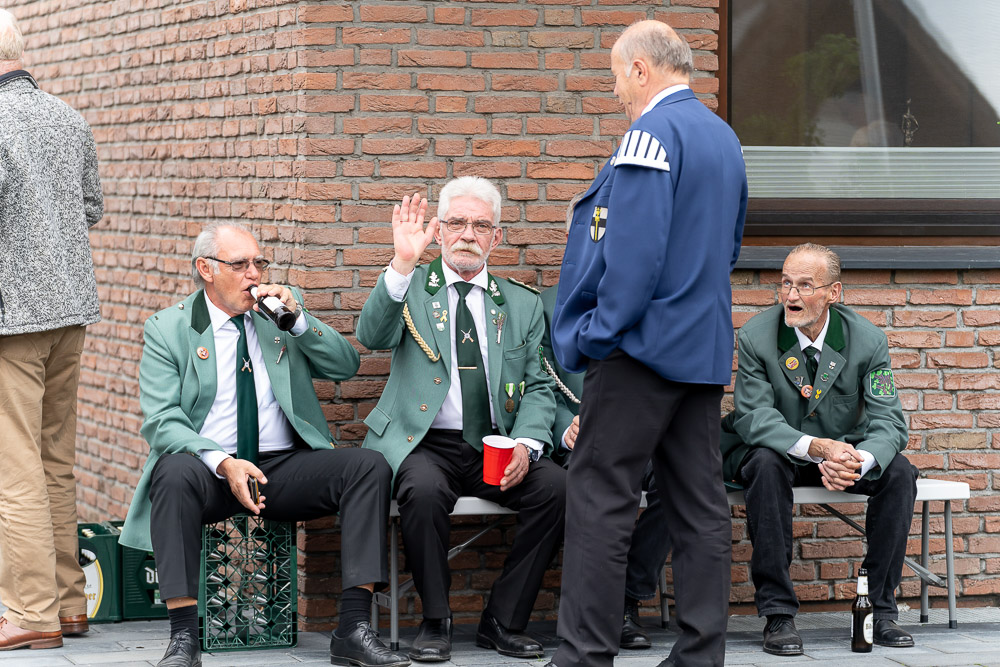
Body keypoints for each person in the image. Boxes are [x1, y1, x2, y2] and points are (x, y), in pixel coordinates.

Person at [118, 223, 409, 667]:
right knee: (171, 472)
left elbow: (345, 366)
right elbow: (161, 420)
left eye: (259, 263)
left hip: (282, 468)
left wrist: (298, 322)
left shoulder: (278, 314)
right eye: (239, 264)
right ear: (206, 269)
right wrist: (223, 462)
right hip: (211, 470)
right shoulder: (169, 328)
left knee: (368, 466)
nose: (254, 274)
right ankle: (183, 639)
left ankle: (353, 628)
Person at [549, 19, 748, 667]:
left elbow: (633, 255)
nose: (615, 92)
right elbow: (729, 247)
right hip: (701, 352)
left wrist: (599, 333)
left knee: (600, 502)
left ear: (640, 68)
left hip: (637, 350)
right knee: (700, 509)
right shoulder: (724, 138)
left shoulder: (649, 133)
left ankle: (584, 655)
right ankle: (699, 657)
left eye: (616, 76)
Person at [356, 177, 566, 663]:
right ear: (439, 230)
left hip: (497, 445)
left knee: (559, 489)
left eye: (481, 225)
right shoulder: (411, 286)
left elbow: (538, 385)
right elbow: (371, 335)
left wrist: (526, 444)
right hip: (425, 443)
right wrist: (402, 262)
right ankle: (436, 620)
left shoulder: (521, 303)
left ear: (497, 236)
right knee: (423, 491)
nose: (468, 234)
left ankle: (503, 621)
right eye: (457, 223)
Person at [720, 243, 917, 656]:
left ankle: (879, 610)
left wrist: (858, 461)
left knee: (899, 472)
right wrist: (817, 448)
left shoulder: (869, 341)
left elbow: (890, 421)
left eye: (805, 285)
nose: (791, 295)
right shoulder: (756, 336)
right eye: (786, 283)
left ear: (833, 293)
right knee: (763, 465)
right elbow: (753, 417)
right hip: (781, 451)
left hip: (842, 455)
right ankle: (778, 614)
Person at [0, 8, 104, 651]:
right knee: (54, 462)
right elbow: (90, 207)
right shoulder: (69, 117)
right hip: (70, 313)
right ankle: (68, 606)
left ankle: (29, 611)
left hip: (10, 321)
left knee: (12, 469)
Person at [540, 198, 672, 652]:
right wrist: (565, 426)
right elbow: (536, 379)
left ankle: (627, 598)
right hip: (581, 437)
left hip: (642, 431)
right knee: (598, 490)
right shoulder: (545, 305)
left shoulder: (652, 299)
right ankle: (595, 613)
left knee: (680, 483)